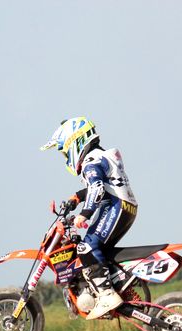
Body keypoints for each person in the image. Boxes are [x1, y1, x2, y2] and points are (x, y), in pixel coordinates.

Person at [40, 117, 138, 319]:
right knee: (99, 250)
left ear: (75, 143)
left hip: (115, 207)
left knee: (86, 247)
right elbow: (102, 184)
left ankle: (107, 295)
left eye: (64, 151)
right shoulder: (99, 156)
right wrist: (77, 198)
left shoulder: (90, 162)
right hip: (124, 206)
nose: (65, 156)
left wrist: (85, 214)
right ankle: (120, 289)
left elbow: (97, 188)